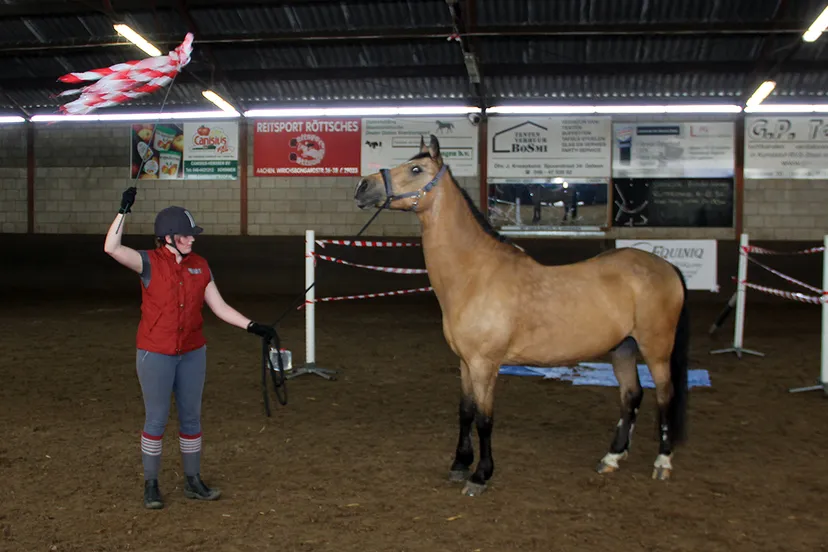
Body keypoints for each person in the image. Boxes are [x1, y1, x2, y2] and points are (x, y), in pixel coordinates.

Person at [104, 186, 277, 510]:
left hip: (192, 353)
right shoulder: (148, 262)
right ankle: (151, 484)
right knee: (156, 420)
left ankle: (193, 481)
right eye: (185, 235)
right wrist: (123, 209)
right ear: (168, 238)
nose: (192, 239)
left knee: (191, 418)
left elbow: (219, 307)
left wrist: (254, 326)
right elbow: (111, 247)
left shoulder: (201, 265)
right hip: (155, 353)